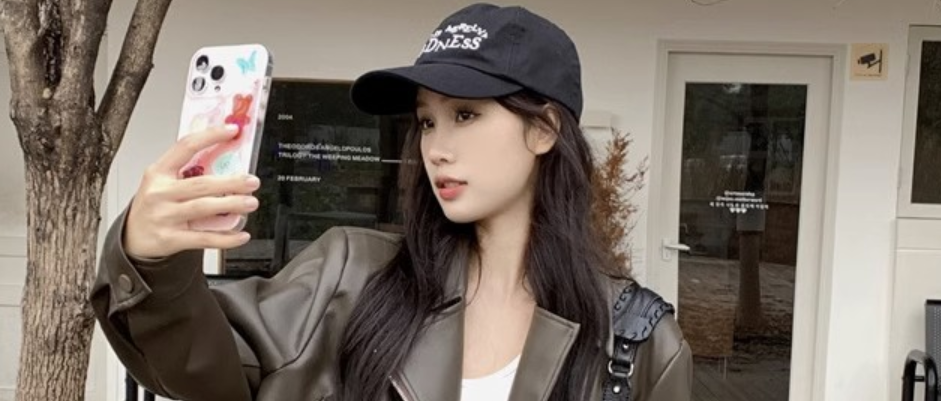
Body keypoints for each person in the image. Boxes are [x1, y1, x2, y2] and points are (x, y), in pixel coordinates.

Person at [91, 3, 692, 401]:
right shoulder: (350, 275)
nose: (437, 148)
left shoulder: (639, 343)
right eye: (427, 121)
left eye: (465, 115)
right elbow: (205, 370)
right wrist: (150, 257)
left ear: (544, 130)